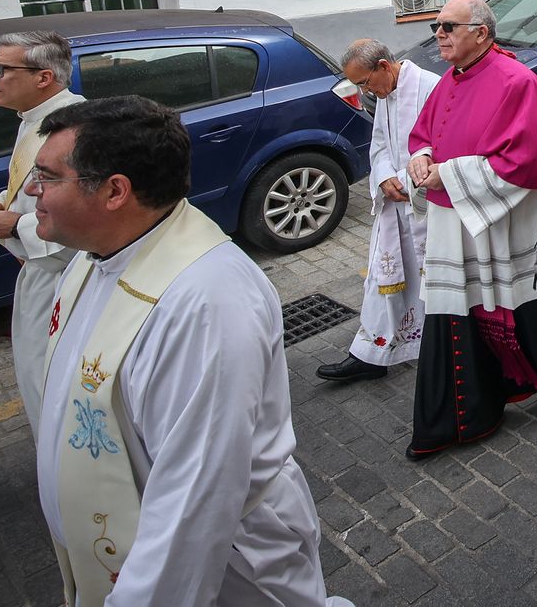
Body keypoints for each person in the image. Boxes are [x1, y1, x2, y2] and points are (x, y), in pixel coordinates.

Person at [31, 96, 348, 607]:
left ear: (116, 191)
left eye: (47, 176)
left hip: (227, 562)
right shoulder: (95, 258)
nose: (31, 190)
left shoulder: (206, 304)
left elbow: (194, 500)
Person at [406, 0, 537, 459]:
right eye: (437, 25)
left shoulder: (516, 81)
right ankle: (466, 412)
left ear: (480, 33)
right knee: (459, 304)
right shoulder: (453, 76)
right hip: (455, 216)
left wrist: (449, 173)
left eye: (447, 26)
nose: (438, 34)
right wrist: (421, 156)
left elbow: (527, 160)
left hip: (502, 220)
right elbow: (426, 131)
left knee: (522, 302)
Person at [0, 30, 84, 430]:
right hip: (38, 273)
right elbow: (34, 185)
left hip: (61, 278)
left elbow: (83, 213)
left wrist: (17, 224)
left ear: (43, 78)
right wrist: (5, 201)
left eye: (2, 68)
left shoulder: (72, 126)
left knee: (51, 386)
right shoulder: (32, 120)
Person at [317, 40, 439, 383]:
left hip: (424, 207)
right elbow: (381, 142)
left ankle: (429, 345)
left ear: (384, 66)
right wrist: (386, 177)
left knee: (423, 282)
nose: (364, 91)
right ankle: (372, 352)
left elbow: (441, 146)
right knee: (384, 278)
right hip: (395, 204)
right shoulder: (386, 94)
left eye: (365, 82)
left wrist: (405, 181)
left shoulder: (431, 87)